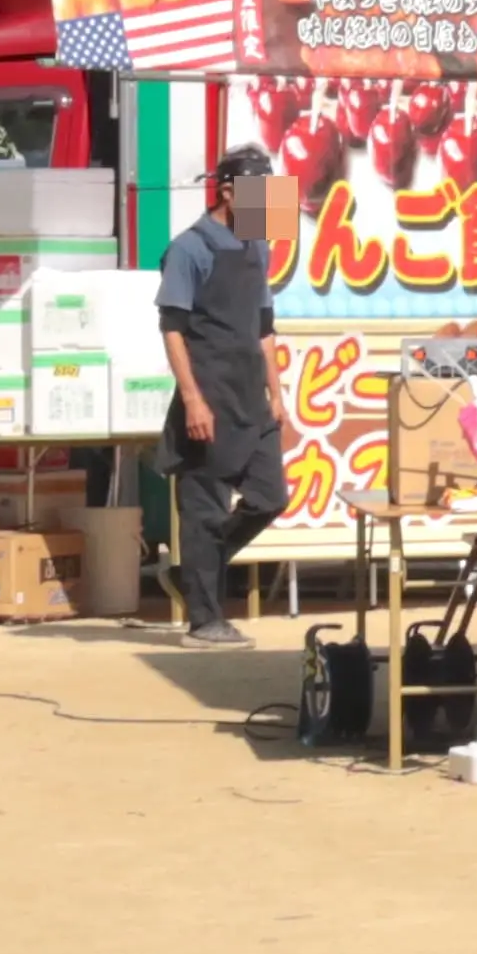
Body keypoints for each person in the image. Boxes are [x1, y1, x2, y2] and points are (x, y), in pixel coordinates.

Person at [154, 146, 286, 648]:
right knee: (205, 509)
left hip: (252, 398)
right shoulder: (190, 248)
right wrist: (192, 400)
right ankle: (205, 620)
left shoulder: (258, 243)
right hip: (208, 397)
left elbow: (264, 327)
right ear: (227, 191)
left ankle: (197, 570)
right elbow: (172, 328)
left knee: (270, 498)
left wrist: (277, 393)